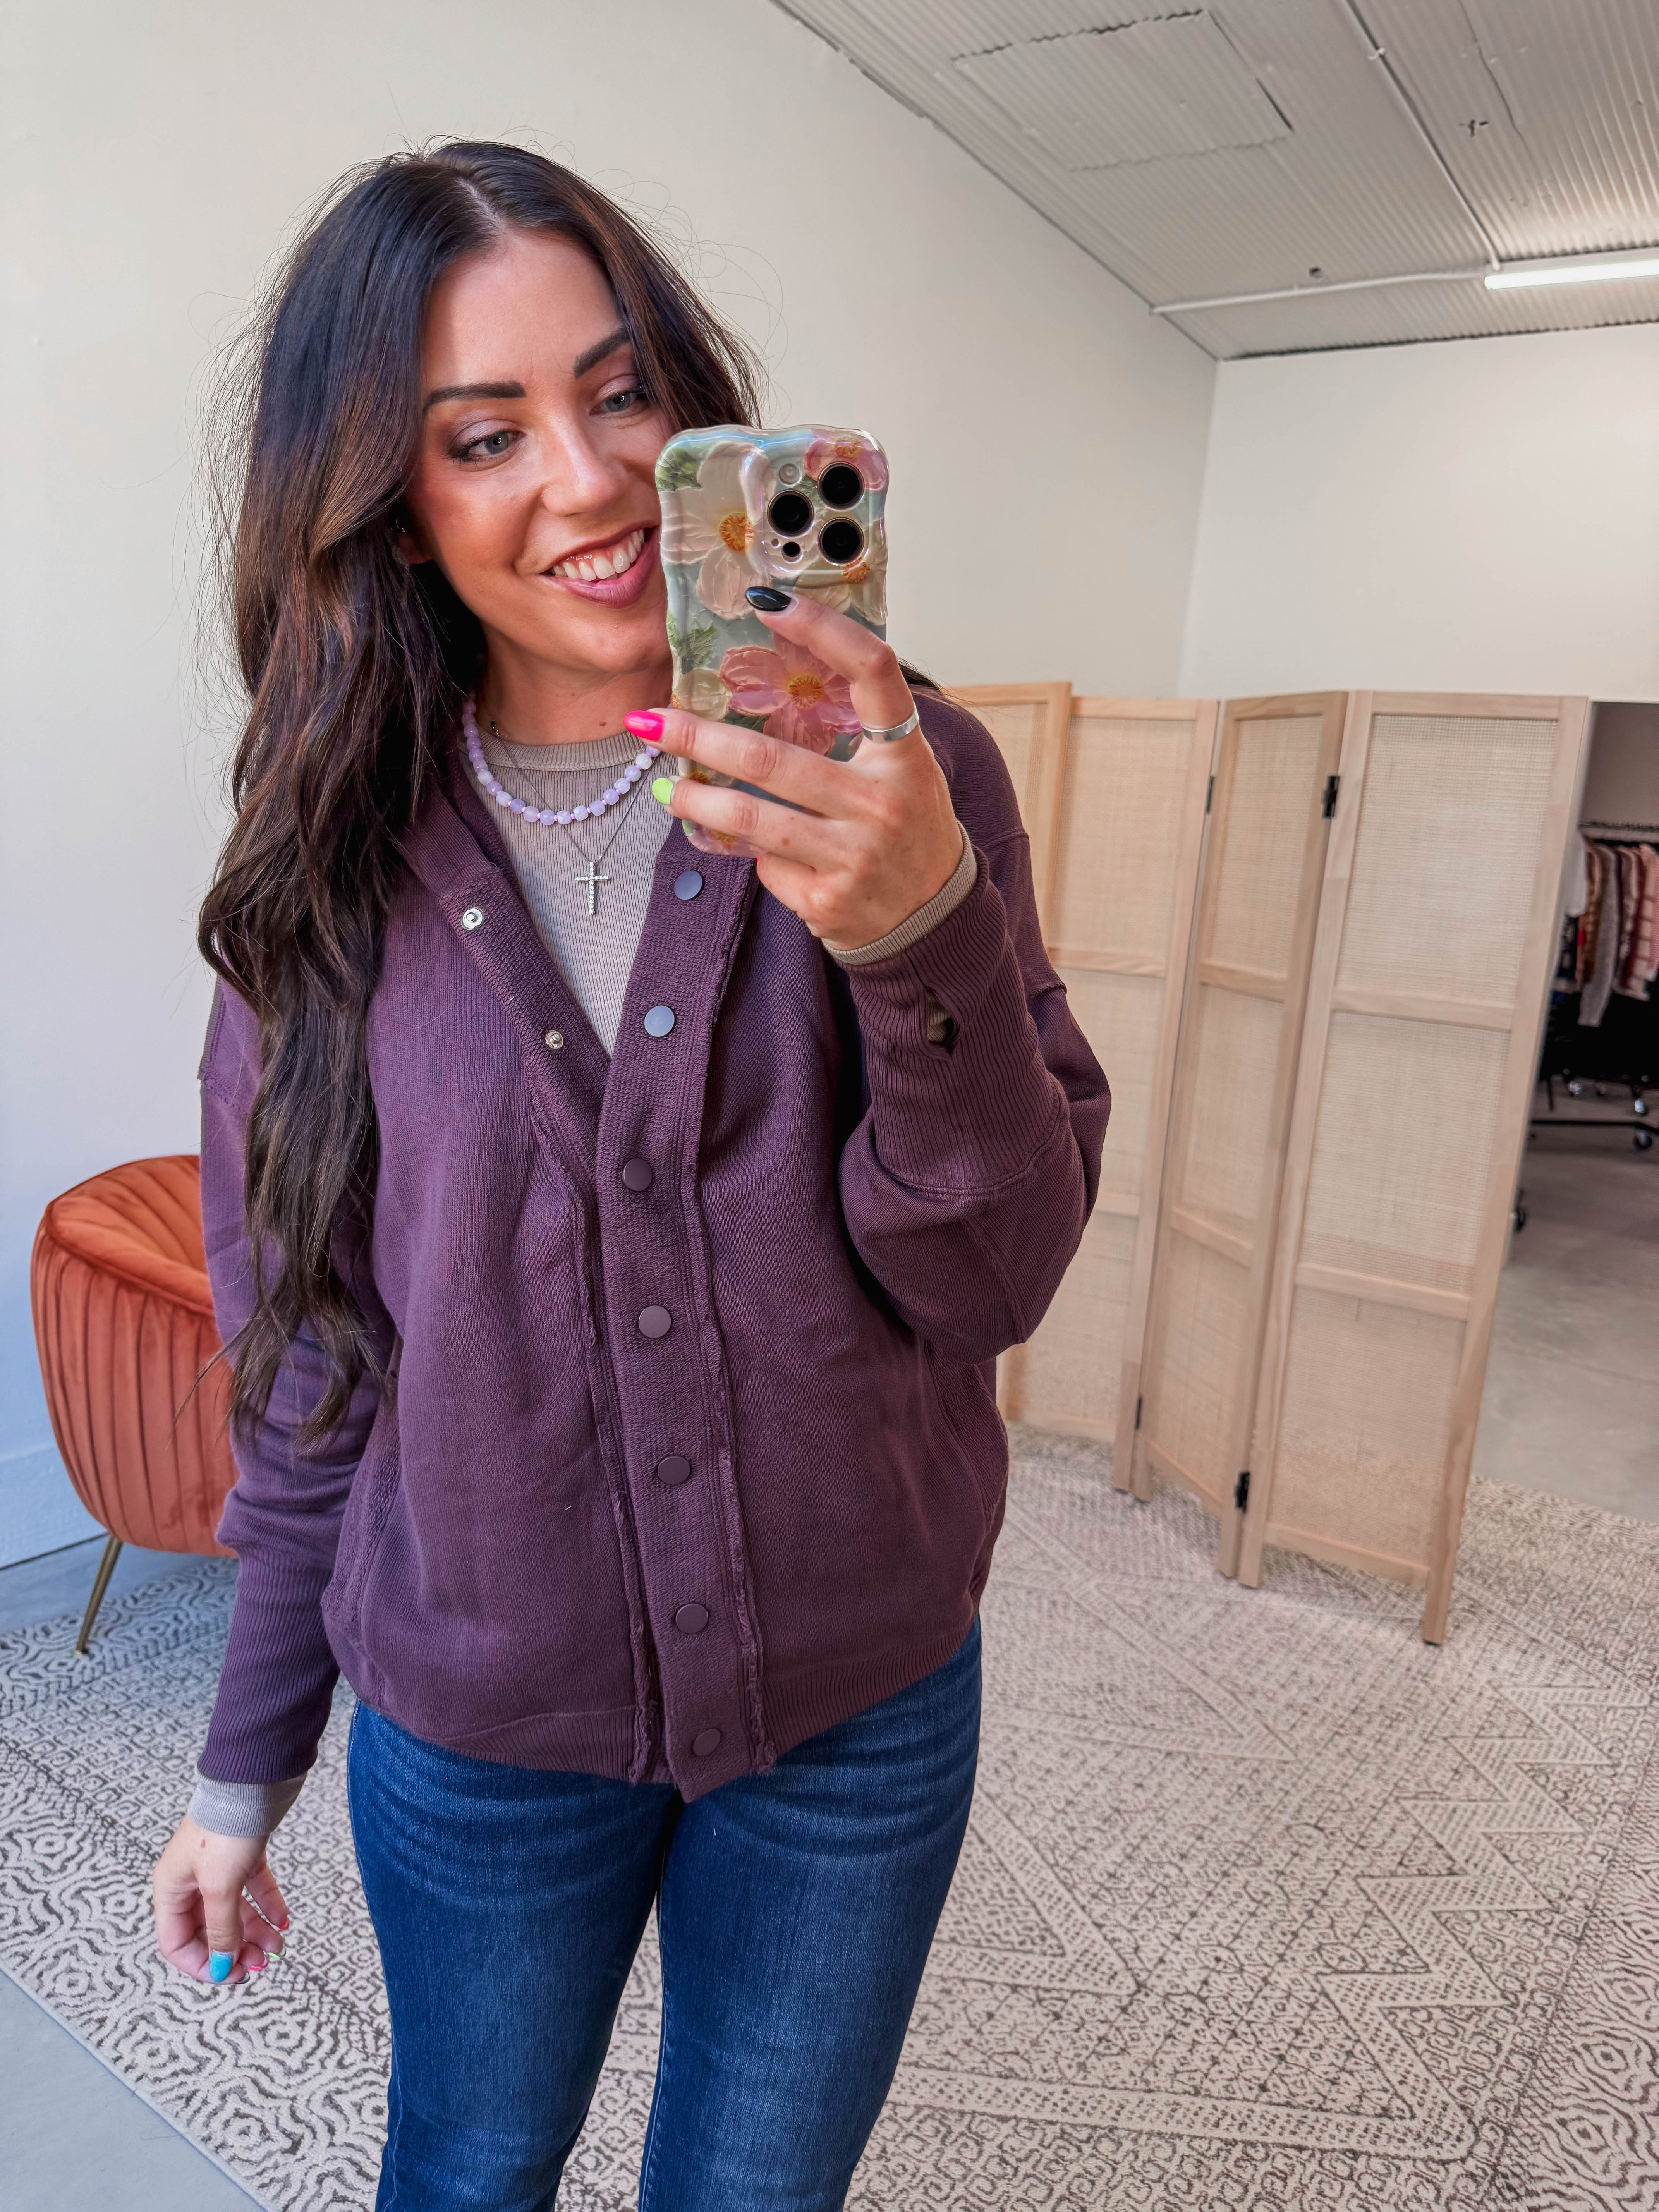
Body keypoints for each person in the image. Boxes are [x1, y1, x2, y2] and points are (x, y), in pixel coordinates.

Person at [149, 141, 1108, 2212]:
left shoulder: (906, 779)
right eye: (483, 435)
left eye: (620, 393)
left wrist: (921, 934)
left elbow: (995, 1281)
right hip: (481, 1730)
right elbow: (311, 1364)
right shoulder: (326, 874)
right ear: (383, 499)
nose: (584, 482)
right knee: (469, 2167)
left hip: (860, 1702)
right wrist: (242, 1770)